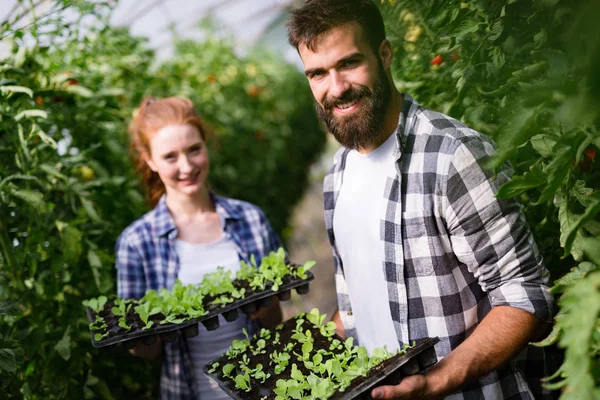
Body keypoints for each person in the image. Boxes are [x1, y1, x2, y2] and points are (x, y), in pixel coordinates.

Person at [287, 1, 554, 399]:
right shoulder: (337, 178)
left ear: (385, 54)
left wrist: (439, 380)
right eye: (318, 73)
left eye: (349, 63)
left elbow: (526, 293)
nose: (336, 87)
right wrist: (300, 351)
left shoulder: (452, 156)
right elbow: (357, 303)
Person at [116, 97, 283, 400]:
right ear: (150, 160)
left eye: (194, 149)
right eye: (170, 157)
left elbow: (274, 323)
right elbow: (146, 352)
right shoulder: (137, 243)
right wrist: (142, 334)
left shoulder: (249, 220)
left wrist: (264, 304)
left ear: (206, 145)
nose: (186, 166)